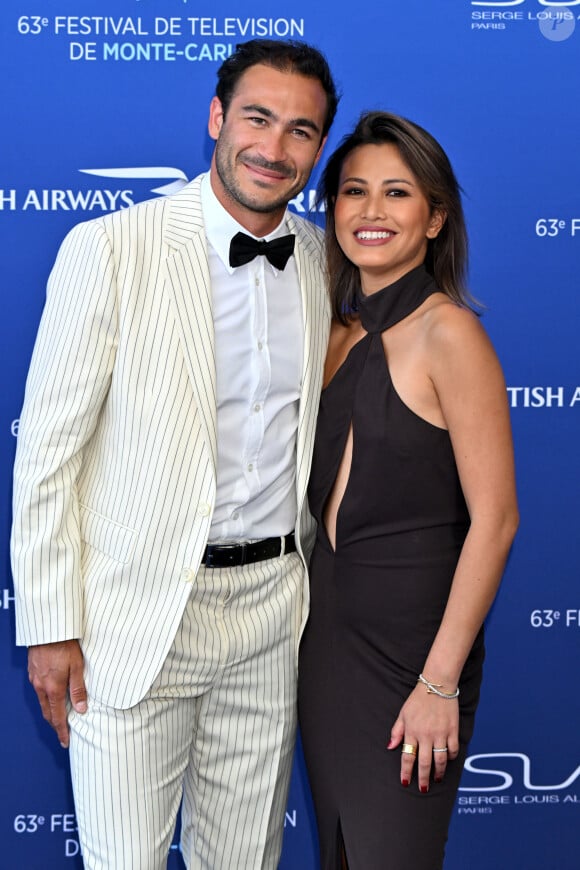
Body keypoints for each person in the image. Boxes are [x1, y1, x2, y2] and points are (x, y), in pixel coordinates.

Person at [11, 39, 338, 869]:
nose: (274, 147)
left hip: (270, 613)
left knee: (246, 860)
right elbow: (47, 450)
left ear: (319, 149)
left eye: (301, 131)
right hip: (137, 615)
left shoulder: (324, 263)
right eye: (258, 118)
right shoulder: (111, 247)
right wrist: (48, 625)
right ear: (217, 118)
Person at [297, 111, 519, 870]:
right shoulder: (332, 333)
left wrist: (439, 682)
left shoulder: (450, 333)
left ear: (435, 217)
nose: (371, 210)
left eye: (397, 193)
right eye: (354, 191)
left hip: (413, 655)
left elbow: (495, 521)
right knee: (341, 852)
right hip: (323, 641)